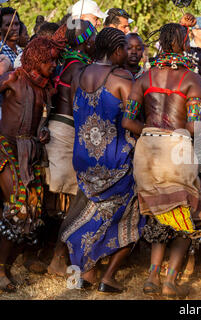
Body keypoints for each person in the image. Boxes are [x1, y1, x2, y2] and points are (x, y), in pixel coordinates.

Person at [122, 23, 201, 299]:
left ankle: (151, 276)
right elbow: (195, 127)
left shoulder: (144, 78)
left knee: (158, 214)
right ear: (184, 43)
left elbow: (127, 121)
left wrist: (151, 133)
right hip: (177, 149)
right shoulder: (192, 80)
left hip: (147, 151)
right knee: (185, 215)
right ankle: (170, 280)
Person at [60, 27, 146, 294]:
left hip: (84, 158)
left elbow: (78, 111)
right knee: (134, 217)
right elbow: (132, 120)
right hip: (115, 160)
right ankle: (106, 276)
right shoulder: (123, 79)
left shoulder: (80, 74)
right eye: (124, 48)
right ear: (117, 50)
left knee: (92, 213)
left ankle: (83, 273)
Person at [0, 36, 62, 293]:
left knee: (32, 210)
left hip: (31, 152)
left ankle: (7, 266)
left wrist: (43, 131)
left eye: (56, 61)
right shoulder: (13, 78)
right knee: (18, 207)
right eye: (50, 61)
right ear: (37, 59)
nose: (54, 65)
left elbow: (40, 120)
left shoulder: (46, 88)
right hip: (6, 149)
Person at [46, 20, 97, 277]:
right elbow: (82, 110)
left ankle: (57, 256)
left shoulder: (63, 63)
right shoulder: (78, 69)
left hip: (55, 128)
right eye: (94, 38)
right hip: (67, 132)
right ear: (87, 41)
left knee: (65, 200)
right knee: (76, 199)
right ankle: (58, 257)